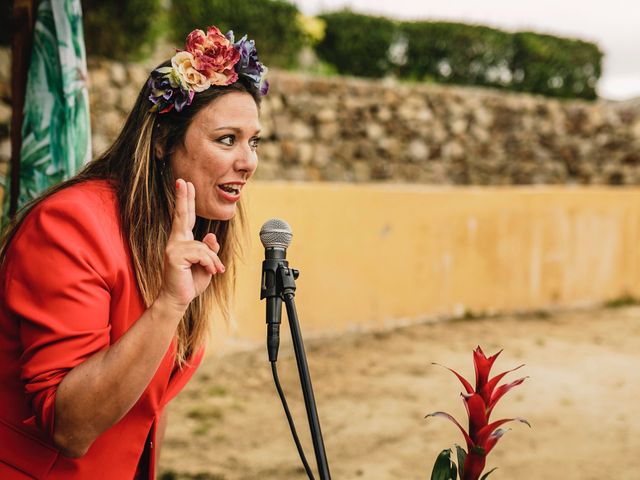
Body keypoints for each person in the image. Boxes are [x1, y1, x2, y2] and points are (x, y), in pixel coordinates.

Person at [0, 25, 268, 479]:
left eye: (254, 140)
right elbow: (70, 428)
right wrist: (169, 305)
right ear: (163, 140)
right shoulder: (69, 225)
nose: (249, 161)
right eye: (227, 139)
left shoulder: (186, 233)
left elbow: (147, 409)